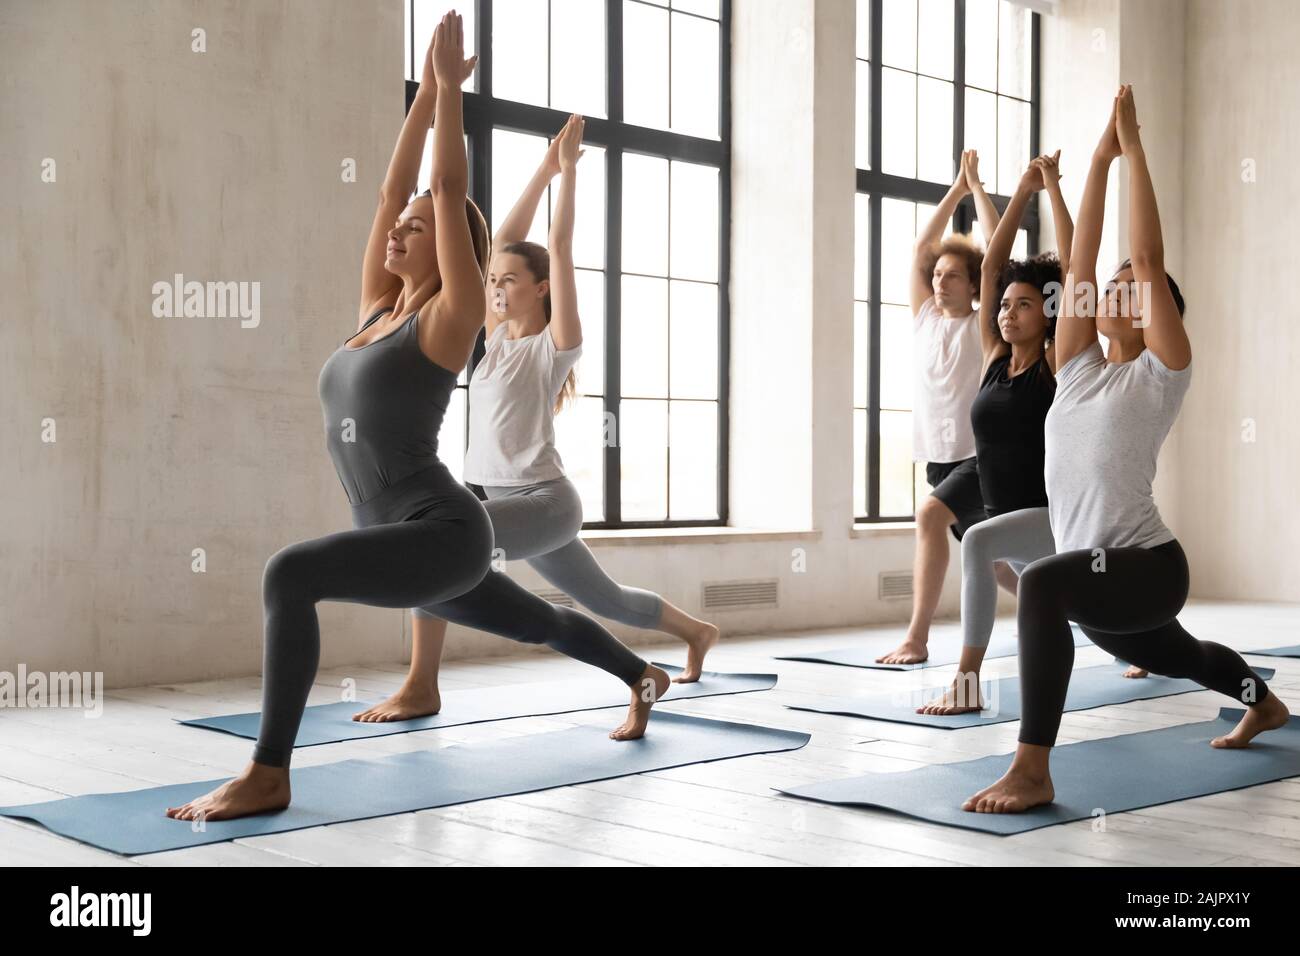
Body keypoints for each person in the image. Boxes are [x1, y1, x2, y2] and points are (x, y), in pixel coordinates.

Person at [963, 86, 1290, 814]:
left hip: (1144, 567)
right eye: (1107, 287)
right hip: (1104, 583)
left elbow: (1145, 255)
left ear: (1150, 306)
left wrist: (1134, 147)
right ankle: (1263, 704)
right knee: (1189, 659)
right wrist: (1098, 164)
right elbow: (1080, 265)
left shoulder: (1161, 372)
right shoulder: (1077, 368)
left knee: (1042, 582)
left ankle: (1032, 769)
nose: (1105, 290)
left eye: (1125, 287)